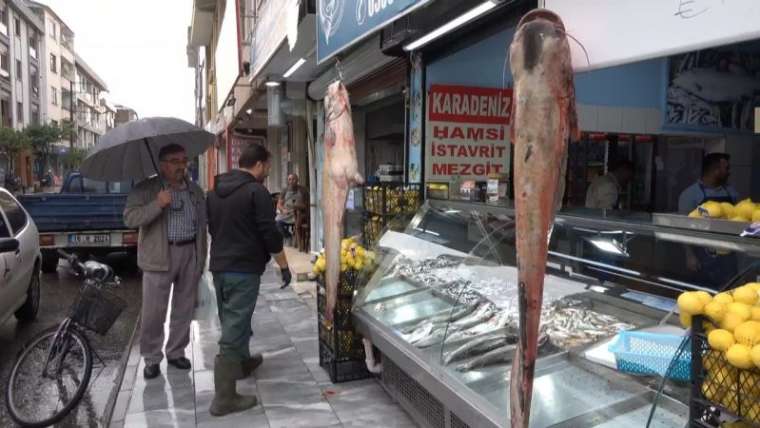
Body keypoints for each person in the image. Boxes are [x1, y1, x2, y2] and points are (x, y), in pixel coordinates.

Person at [206, 143, 292, 416]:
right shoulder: (256, 191)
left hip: (220, 268)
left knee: (233, 319)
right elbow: (270, 233)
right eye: (267, 166)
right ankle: (224, 398)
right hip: (243, 270)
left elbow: (214, 227)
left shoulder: (213, 193)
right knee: (234, 328)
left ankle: (242, 362)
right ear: (258, 165)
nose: (268, 171)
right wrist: (284, 265)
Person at [124, 144, 208, 380]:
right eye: (175, 161)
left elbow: (202, 227)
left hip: (189, 253)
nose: (181, 165)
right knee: (153, 312)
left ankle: (176, 351)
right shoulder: (146, 189)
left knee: (183, 308)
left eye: (183, 160)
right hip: (158, 257)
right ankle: (151, 358)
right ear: (162, 165)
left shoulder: (195, 191)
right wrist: (157, 204)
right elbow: (130, 218)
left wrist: (201, 258)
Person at [678, 153, 739, 288]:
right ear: (715, 170)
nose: (729, 172)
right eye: (726, 168)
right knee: (702, 292)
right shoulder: (690, 194)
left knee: (729, 291)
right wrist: (689, 255)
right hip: (702, 255)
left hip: (728, 254)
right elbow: (681, 228)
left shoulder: (731, 192)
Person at [276, 173, 308, 239]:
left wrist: (298, 206)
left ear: (297, 180)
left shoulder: (303, 190)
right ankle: (289, 237)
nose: (291, 181)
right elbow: (279, 204)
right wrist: (283, 210)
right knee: (276, 222)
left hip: (299, 214)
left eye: (293, 179)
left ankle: (298, 239)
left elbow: (306, 204)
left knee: (299, 223)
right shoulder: (284, 190)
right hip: (287, 213)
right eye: (289, 179)